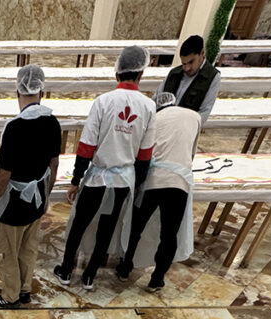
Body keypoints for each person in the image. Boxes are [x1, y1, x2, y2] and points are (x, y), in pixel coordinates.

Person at [53, 45, 156, 291]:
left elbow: (86, 147)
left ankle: (66, 270)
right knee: (107, 228)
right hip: (123, 180)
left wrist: (76, 180)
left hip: (97, 177)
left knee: (80, 224)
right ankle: (89, 276)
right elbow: (145, 155)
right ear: (141, 74)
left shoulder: (103, 101)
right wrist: (137, 185)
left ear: (116, 73)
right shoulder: (149, 107)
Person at [0, 65, 61, 309]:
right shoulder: (52, 122)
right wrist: (46, 195)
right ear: (42, 92)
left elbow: (4, 174)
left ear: (17, 92)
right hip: (37, 198)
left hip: (14, 204)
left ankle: (11, 296)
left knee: (8, 252)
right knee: (28, 248)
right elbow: (54, 164)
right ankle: (25, 289)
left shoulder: (15, 127)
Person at [116, 91, 200, 292]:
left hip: (153, 180)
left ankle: (125, 267)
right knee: (169, 235)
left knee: (136, 227)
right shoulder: (194, 117)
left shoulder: (153, 118)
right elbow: (191, 153)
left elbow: (143, 153)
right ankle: (157, 278)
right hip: (180, 182)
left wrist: (137, 183)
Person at [160, 34, 220, 125]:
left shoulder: (213, 77)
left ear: (202, 53)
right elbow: (157, 101)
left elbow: (203, 114)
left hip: (186, 128)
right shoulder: (174, 73)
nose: (187, 68)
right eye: (184, 64)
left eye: (191, 62)